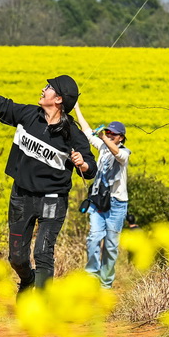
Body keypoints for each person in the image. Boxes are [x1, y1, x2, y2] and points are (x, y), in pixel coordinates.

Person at [0, 51, 97, 292]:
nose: (43, 89)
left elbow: (91, 168)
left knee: (43, 252)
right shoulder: (28, 115)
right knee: (16, 257)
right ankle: (27, 281)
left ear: (58, 99)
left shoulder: (74, 134)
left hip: (53, 200)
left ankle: (42, 305)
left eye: (48, 88)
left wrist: (83, 163)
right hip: (21, 197)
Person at [74, 103, 130, 289]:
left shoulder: (124, 152)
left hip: (117, 205)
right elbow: (87, 131)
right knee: (94, 237)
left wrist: (104, 138)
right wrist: (77, 108)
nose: (109, 135)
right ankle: (91, 277)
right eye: (108, 132)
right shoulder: (104, 147)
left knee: (111, 246)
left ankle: (105, 284)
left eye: (113, 133)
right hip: (98, 201)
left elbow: (117, 154)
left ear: (121, 137)